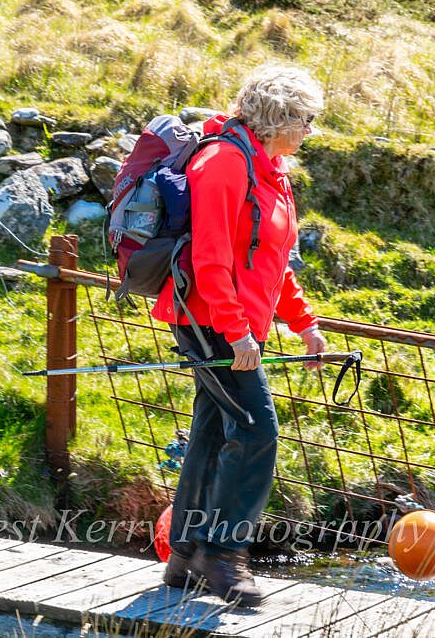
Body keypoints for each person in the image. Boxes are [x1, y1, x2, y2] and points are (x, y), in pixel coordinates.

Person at [150, 64, 327, 606]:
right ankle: (223, 556)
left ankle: (183, 559)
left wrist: (303, 323)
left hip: (238, 326)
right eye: (305, 120)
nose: (309, 132)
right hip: (209, 322)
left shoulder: (270, 170)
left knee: (211, 433)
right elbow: (210, 257)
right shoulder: (225, 162)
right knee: (255, 430)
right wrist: (237, 334)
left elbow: (272, 262)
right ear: (279, 117)